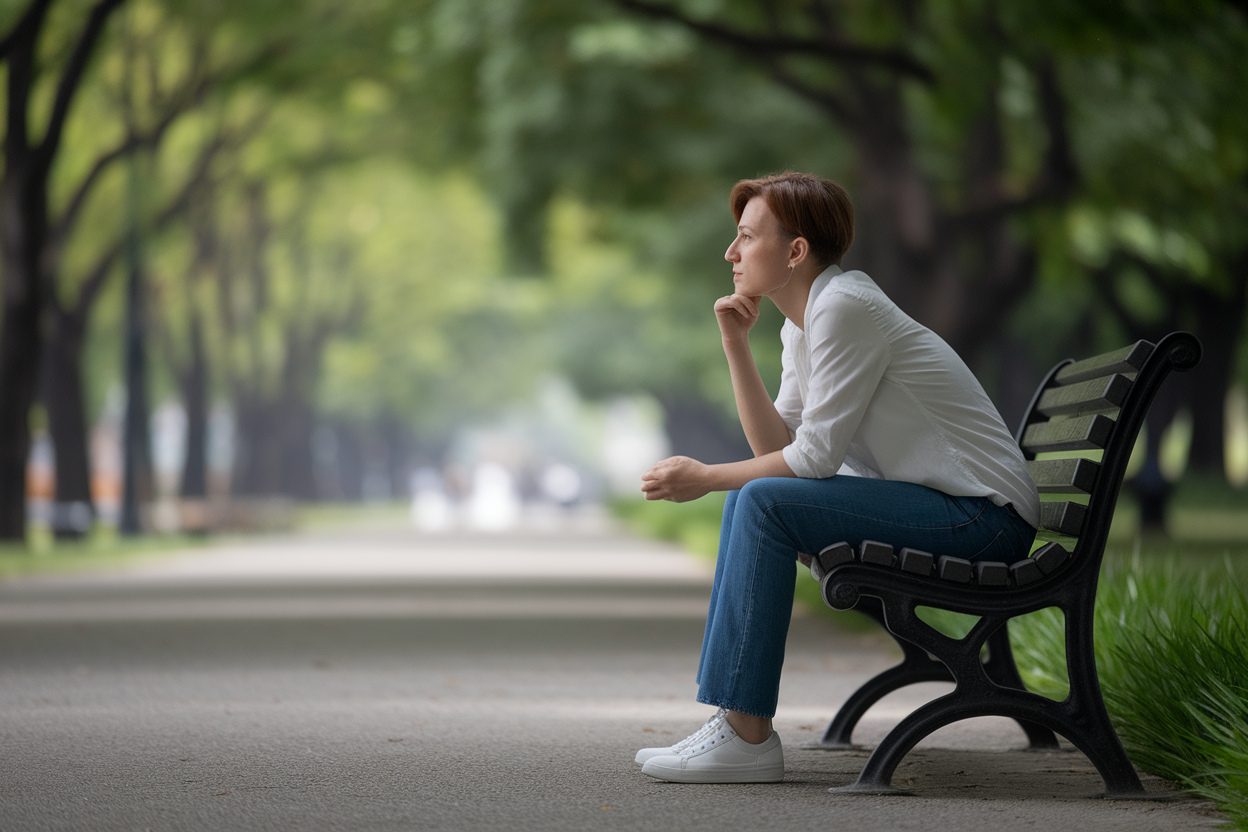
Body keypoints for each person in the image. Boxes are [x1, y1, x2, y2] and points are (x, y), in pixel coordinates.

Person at [635, 171, 1039, 784]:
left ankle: (745, 736)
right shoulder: (802, 323)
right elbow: (780, 448)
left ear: (795, 251)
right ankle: (736, 725)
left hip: (983, 518)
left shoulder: (845, 307)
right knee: (756, 495)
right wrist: (735, 345)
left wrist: (707, 475)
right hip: (949, 507)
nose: (731, 252)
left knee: (760, 499)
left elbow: (814, 460)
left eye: (746, 236)